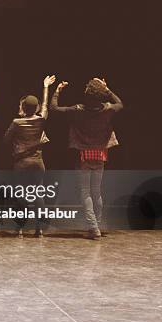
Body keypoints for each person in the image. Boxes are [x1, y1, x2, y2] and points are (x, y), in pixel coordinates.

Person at [50, 77, 123, 240]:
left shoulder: (78, 109)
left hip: (83, 156)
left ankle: (94, 227)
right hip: (100, 155)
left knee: (85, 192)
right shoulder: (108, 109)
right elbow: (120, 104)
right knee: (96, 191)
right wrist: (108, 89)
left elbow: (53, 108)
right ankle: (96, 224)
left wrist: (57, 91)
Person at [4, 75, 56, 238]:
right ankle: (39, 229)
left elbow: (5, 140)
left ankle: (19, 228)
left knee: (21, 195)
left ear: (23, 107)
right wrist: (46, 86)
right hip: (38, 163)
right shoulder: (41, 120)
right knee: (38, 194)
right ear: (36, 108)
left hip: (22, 164)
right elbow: (46, 105)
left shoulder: (16, 122)